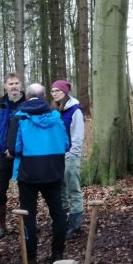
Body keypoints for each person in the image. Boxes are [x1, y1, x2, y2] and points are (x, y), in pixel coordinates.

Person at [7, 83, 69, 264]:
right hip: (53, 172)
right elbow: (66, 144)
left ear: (26, 97)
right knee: (58, 213)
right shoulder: (56, 117)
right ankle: (57, 254)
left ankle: (30, 259)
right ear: (43, 97)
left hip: (28, 174)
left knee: (28, 215)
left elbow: (13, 148)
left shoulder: (19, 118)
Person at [0, 73, 26, 239]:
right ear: (5, 86)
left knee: (26, 190)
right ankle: (1, 226)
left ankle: (27, 225)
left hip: (23, 155)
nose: (14, 86)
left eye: (16, 83)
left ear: (21, 85)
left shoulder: (27, 103)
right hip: (3, 154)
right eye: (11, 84)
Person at [50, 79, 85, 239]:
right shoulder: (53, 111)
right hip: (56, 156)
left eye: (57, 91)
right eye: (52, 91)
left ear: (65, 92)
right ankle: (63, 222)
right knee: (61, 191)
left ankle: (76, 224)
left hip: (70, 156)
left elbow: (77, 135)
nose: (55, 93)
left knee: (73, 189)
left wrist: (72, 154)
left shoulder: (75, 110)